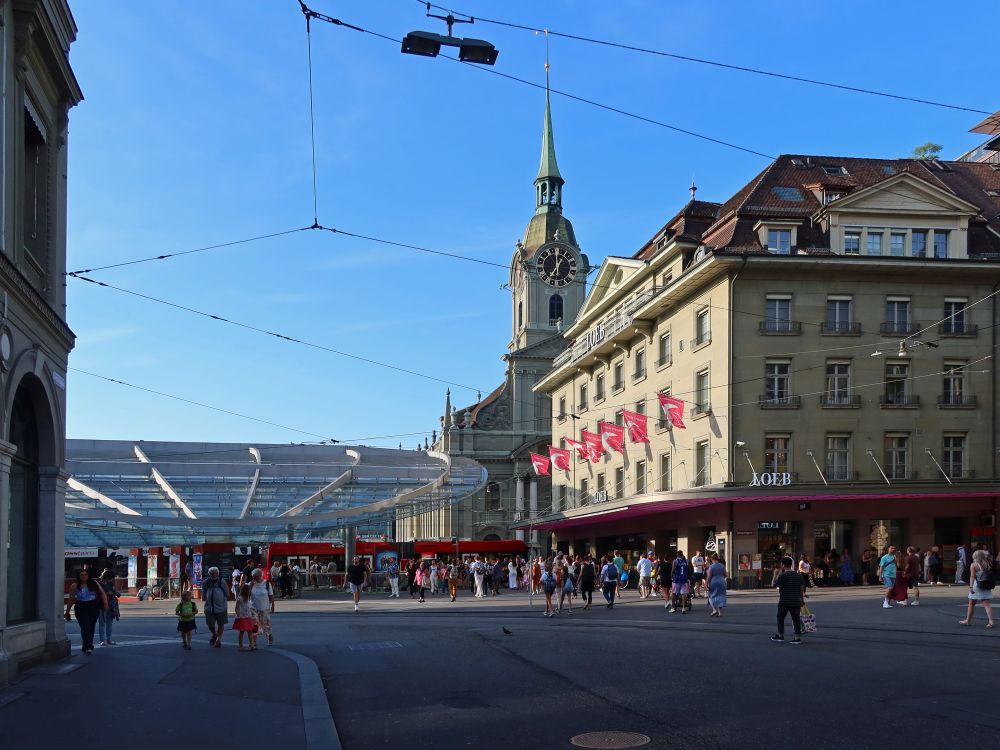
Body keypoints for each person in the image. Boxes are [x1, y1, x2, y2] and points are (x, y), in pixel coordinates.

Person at [65, 569, 108, 655]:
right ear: (79, 576)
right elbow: (71, 599)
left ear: (88, 576)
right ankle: (87, 647)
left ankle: (88, 646)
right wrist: (67, 612)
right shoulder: (75, 586)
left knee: (91, 627)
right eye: (82, 574)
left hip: (93, 607)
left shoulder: (94, 584)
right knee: (85, 627)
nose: (84, 576)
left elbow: (102, 593)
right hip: (81, 607)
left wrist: (105, 604)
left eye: (85, 574)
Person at [771, 556, 804, 644]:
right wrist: (802, 600)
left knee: (780, 617)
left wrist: (775, 574)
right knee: (796, 619)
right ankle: (797, 638)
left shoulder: (783, 576)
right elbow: (801, 589)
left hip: (784, 600)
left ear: (783, 565)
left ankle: (780, 635)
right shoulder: (798, 575)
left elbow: (773, 584)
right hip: (796, 600)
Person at [959, 549, 995, 627]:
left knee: (971, 604)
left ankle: (968, 621)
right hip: (985, 585)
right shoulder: (987, 563)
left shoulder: (974, 565)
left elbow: (972, 576)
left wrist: (971, 587)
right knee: (987, 604)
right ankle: (991, 621)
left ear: (975, 556)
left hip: (977, 585)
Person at [202, 565, 229, 648]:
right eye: (212, 573)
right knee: (210, 624)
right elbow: (203, 594)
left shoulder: (222, 581)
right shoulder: (206, 582)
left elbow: (227, 593)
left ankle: (218, 640)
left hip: (221, 607)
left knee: (221, 623)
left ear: (218, 573)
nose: (214, 575)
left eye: (216, 573)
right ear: (209, 574)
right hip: (209, 607)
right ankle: (214, 634)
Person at [249, 568, 275, 643]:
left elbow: (271, 595)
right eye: (253, 577)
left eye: (255, 577)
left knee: (266, 624)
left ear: (260, 576)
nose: (254, 578)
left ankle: (269, 635)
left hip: (264, 607)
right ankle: (254, 641)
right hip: (253, 607)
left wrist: (273, 605)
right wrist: (250, 586)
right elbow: (246, 595)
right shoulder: (251, 583)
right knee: (254, 624)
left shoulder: (266, 583)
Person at [97, 569, 120, 646]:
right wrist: (108, 593)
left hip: (111, 605)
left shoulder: (110, 584)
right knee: (102, 623)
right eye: (110, 578)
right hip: (101, 606)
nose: (111, 579)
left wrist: (116, 593)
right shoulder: (98, 584)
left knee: (109, 623)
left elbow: (113, 591)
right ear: (106, 577)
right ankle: (102, 640)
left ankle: (109, 639)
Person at [233, 583, 257, 651]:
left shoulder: (248, 598)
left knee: (250, 631)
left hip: (248, 616)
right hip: (242, 617)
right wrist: (238, 615)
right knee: (242, 631)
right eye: (249, 590)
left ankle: (251, 645)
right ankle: (241, 646)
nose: (250, 591)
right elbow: (236, 608)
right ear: (246, 591)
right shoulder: (240, 598)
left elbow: (248, 607)